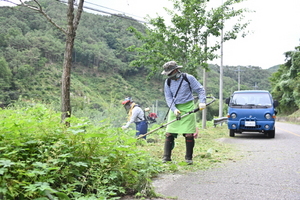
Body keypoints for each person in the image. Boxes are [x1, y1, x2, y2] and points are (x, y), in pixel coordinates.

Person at [161, 61, 206, 165]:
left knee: (189, 134)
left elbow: (200, 90)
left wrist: (202, 102)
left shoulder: (188, 78)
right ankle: (166, 157)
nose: (168, 75)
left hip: (188, 106)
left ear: (176, 70)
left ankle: (188, 158)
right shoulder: (168, 82)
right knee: (169, 133)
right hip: (175, 108)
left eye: (170, 73)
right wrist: (174, 109)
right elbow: (168, 97)